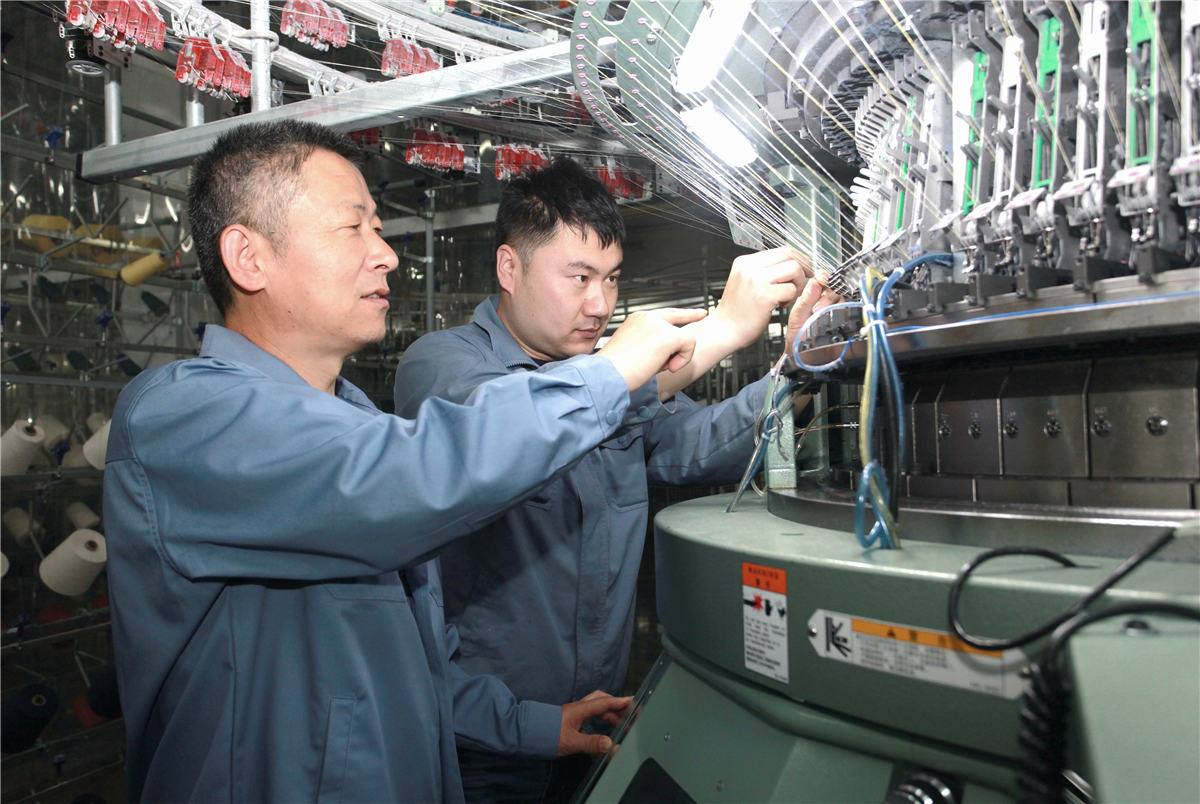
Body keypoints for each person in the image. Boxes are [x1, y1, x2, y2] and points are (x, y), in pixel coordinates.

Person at [101, 121, 714, 803]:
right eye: (353, 228)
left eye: (379, 228)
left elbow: (418, 661)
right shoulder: (183, 417)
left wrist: (531, 726)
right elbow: (414, 475)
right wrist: (611, 373)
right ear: (249, 258)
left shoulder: (357, 419)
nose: (386, 255)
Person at [394, 157, 834, 802]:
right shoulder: (444, 365)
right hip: (483, 743)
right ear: (510, 268)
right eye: (578, 278)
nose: (600, 305)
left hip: (597, 717)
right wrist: (719, 331)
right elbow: (519, 426)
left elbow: (703, 446)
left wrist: (798, 367)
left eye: (611, 279)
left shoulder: (612, 378)